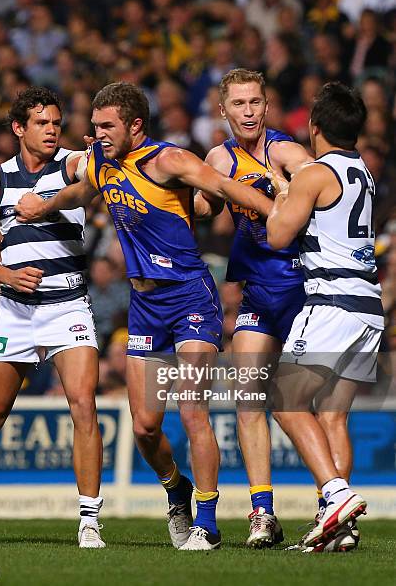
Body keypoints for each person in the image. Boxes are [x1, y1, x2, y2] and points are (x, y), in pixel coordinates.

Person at [15, 81, 275, 551]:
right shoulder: (100, 160)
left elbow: (220, 185)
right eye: (93, 126)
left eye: (106, 126)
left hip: (190, 297)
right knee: (144, 427)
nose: (96, 135)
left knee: (193, 409)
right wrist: (44, 204)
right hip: (145, 306)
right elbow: (80, 192)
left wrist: (278, 213)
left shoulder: (167, 160)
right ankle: (176, 488)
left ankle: (208, 523)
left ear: (135, 125)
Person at [0, 86, 105, 549]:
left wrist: (83, 171)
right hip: (14, 310)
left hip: (67, 304)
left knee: (84, 406)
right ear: (18, 129)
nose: (52, 130)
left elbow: (92, 184)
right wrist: (8, 273)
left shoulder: (72, 163)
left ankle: (89, 520)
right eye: (42, 123)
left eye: (55, 122)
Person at [195, 68, 312, 548]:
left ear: (267, 107)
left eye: (255, 103)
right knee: (247, 398)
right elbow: (203, 208)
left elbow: (321, 189)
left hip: (306, 288)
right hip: (259, 292)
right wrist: (201, 191)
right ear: (223, 111)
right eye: (238, 104)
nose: (247, 112)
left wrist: (286, 185)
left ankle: (334, 504)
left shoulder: (285, 152)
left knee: (315, 406)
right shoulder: (218, 157)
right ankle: (262, 513)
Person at [266, 82, 382, 551]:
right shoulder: (364, 172)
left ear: (315, 128)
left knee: (284, 400)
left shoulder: (315, 173)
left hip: (331, 301)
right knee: (333, 417)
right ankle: (341, 529)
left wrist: (282, 191)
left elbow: (278, 235)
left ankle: (335, 495)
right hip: (368, 307)